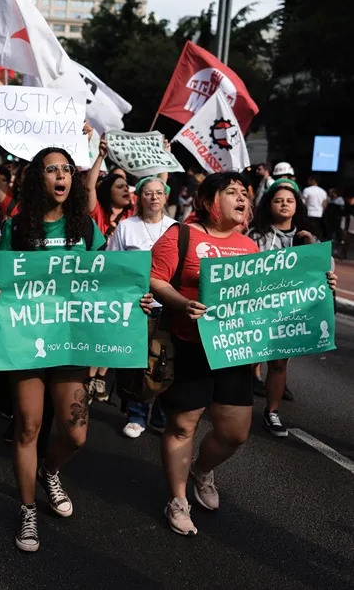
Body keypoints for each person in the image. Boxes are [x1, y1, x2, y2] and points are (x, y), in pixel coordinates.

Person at [149, 171, 336, 536]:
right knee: (182, 426)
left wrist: (319, 282)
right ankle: (177, 499)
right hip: (189, 347)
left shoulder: (249, 246)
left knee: (235, 433)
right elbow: (155, 279)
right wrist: (182, 302)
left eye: (244, 195)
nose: (241, 199)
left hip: (233, 350)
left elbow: (270, 296)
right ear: (207, 201)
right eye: (231, 192)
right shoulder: (180, 235)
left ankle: (201, 469)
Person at [0, 147, 126, 553]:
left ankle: (49, 471)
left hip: (72, 341)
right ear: (37, 179)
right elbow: (4, 282)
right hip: (26, 341)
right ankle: (27, 508)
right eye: (52, 170)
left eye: (67, 169)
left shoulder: (85, 228)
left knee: (76, 435)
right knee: (28, 427)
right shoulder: (17, 228)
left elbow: (106, 277)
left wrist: (132, 300)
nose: (62, 176)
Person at [107, 176, 175, 439]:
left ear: (166, 197)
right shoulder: (126, 227)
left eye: (159, 192)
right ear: (139, 197)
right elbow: (113, 265)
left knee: (165, 361)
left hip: (167, 306)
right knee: (137, 363)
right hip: (137, 306)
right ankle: (136, 415)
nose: (154, 197)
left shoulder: (177, 228)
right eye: (148, 193)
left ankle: (159, 413)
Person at [248, 179, 317, 437]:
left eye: (289, 200)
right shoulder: (255, 235)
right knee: (248, 358)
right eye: (278, 200)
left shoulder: (307, 236)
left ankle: (272, 412)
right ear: (270, 204)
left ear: (297, 205)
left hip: (288, 312)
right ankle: (237, 405)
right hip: (257, 308)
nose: (284, 204)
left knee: (278, 363)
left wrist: (309, 243)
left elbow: (321, 272)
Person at [302, 175, 328, 239]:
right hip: (319, 215)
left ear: (313, 180)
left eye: (309, 180)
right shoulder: (323, 192)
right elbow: (324, 204)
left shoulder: (307, 190)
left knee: (308, 233)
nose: (308, 181)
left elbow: (303, 203)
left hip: (309, 214)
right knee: (317, 233)